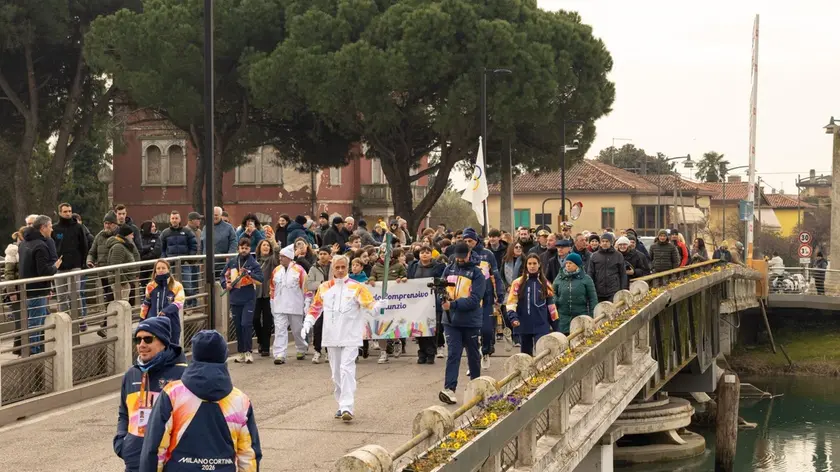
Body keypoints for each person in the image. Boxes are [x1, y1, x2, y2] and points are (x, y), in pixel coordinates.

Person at [139, 330, 261, 471]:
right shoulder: (240, 400)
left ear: (194, 355)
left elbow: (155, 447)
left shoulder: (172, 393)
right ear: (224, 356)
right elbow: (248, 454)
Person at [302, 255, 386, 421]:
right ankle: (341, 404)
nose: (340, 271)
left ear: (347, 268)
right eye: (337, 268)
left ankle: (347, 406)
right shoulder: (325, 287)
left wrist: (379, 306)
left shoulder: (357, 287)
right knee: (336, 374)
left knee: (347, 370)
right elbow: (315, 308)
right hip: (331, 336)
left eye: (343, 267)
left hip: (350, 336)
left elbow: (371, 307)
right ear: (333, 268)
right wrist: (307, 323)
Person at [114, 317, 187, 472]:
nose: (142, 345)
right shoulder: (131, 375)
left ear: (163, 342)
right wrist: (122, 443)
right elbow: (124, 413)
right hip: (134, 461)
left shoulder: (182, 374)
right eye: (138, 340)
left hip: (169, 463)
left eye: (148, 339)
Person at [438, 243, 486, 405]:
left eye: (462, 256)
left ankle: (477, 388)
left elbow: (475, 300)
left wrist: (453, 305)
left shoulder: (477, 273)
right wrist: (442, 299)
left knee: (473, 356)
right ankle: (449, 389)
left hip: (470, 321)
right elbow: (441, 289)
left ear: (469, 253)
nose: (459, 259)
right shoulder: (448, 269)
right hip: (451, 321)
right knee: (453, 354)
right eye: (457, 256)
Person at [18, 216, 61, 353]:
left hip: (27, 288)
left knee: (39, 319)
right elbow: (44, 271)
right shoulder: (41, 245)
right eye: (50, 226)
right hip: (37, 289)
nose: (52, 229)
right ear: (43, 227)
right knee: (35, 322)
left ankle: (36, 347)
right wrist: (55, 266)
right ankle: (33, 350)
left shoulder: (23, 243)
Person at [221, 238, 264, 364]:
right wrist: (226, 284)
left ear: (249, 249)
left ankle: (248, 351)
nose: (244, 250)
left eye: (246, 248)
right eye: (242, 248)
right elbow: (223, 275)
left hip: (248, 298)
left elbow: (261, 279)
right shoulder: (232, 262)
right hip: (235, 298)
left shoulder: (253, 263)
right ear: (238, 248)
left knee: (246, 324)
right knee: (238, 326)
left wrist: (249, 274)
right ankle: (240, 352)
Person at [505, 254, 557, 356]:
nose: (532, 266)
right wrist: (513, 318)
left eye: (534, 263)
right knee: (526, 356)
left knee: (542, 354)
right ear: (526, 266)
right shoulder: (517, 283)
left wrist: (556, 326)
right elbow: (511, 303)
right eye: (529, 263)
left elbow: (551, 307)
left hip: (541, 325)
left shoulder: (545, 283)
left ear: (539, 265)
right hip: (524, 325)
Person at [270, 244, 309, 364]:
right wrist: (272, 302)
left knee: (297, 330)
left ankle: (301, 348)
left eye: (282, 256)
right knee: (280, 329)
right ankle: (279, 354)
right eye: (279, 256)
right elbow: (272, 288)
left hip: (295, 305)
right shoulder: (276, 270)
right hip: (279, 305)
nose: (280, 258)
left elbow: (306, 288)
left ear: (289, 257)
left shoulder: (299, 270)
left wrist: (307, 303)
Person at [368, 247, 408, 363]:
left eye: (386, 253)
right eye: (381, 253)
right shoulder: (376, 267)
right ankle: (383, 351)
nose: (383, 255)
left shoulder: (398, 266)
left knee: (393, 323)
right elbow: (373, 276)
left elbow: (404, 275)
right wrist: (371, 280)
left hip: (394, 301)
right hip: (381, 300)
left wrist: (402, 278)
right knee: (381, 325)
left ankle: (397, 341)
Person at [408, 245, 446, 364]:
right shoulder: (413, 266)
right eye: (422, 252)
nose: (424, 254)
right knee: (419, 328)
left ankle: (431, 353)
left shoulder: (438, 267)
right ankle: (422, 352)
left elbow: (442, 281)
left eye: (427, 252)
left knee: (432, 328)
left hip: (432, 301)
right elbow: (409, 280)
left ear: (431, 254)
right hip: (418, 301)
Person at [51, 203, 89, 314]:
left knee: (75, 294)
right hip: (59, 266)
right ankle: (64, 320)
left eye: (69, 211)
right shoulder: (55, 228)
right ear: (60, 213)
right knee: (61, 296)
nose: (68, 214)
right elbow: (52, 246)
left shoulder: (78, 227)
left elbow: (84, 245)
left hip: (75, 265)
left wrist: (82, 263)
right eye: (65, 211)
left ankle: (79, 320)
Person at [140, 260, 186, 345]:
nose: (161, 270)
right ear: (155, 271)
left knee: (172, 350)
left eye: (163, 268)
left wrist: (165, 311)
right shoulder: (150, 286)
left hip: (172, 324)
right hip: (153, 324)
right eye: (158, 268)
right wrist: (142, 321)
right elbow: (146, 305)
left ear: (168, 270)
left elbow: (179, 303)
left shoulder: (177, 285)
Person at [553, 253, 598, 335]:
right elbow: (553, 293)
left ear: (577, 265)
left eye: (570, 263)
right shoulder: (559, 277)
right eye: (566, 263)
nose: (568, 265)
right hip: (563, 317)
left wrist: (592, 316)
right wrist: (557, 300)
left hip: (580, 316)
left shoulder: (586, 279)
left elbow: (592, 298)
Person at [305, 247, 332, 364]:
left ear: (330, 255)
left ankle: (328, 351)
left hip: (332, 300)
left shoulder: (334, 266)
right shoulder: (313, 268)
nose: (322, 256)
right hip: (319, 301)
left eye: (325, 254)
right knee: (318, 326)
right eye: (320, 254)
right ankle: (317, 350)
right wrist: (321, 284)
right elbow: (309, 284)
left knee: (329, 325)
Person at [253, 240, 278, 357]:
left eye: (268, 245)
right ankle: (260, 340)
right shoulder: (254, 261)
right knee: (255, 318)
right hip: (256, 294)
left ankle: (266, 347)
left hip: (268, 294)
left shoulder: (272, 260)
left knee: (268, 321)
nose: (266, 247)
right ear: (259, 247)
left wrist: (274, 242)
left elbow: (277, 257)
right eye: (264, 245)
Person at [587, 233, 628, 302]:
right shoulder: (594, 256)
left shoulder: (618, 255)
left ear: (611, 242)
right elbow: (590, 273)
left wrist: (622, 289)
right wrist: (591, 289)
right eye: (603, 241)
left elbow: (623, 274)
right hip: (598, 291)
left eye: (607, 241)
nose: (605, 243)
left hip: (613, 291)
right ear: (600, 243)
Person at [107, 225, 142, 300]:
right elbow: (115, 267)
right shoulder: (118, 247)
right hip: (121, 285)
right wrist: (125, 282)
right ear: (126, 235)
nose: (132, 237)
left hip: (125, 282)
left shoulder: (125, 246)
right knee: (122, 308)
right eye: (131, 234)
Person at [4, 227, 24, 354]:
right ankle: (18, 348)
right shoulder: (13, 251)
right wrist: (12, 292)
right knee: (19, 320)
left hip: (26, 290)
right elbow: (8, 273)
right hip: (16, 291)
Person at [138, 221, 161, 285]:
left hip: (153, 267)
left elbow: (156, 252)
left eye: (154, 226)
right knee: (143, 286)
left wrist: (145, 256)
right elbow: (139, 250)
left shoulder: (157, 238)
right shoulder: (140, 238)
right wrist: (149, 248)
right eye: (152, 226)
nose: (155, 228)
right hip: (142, 268)